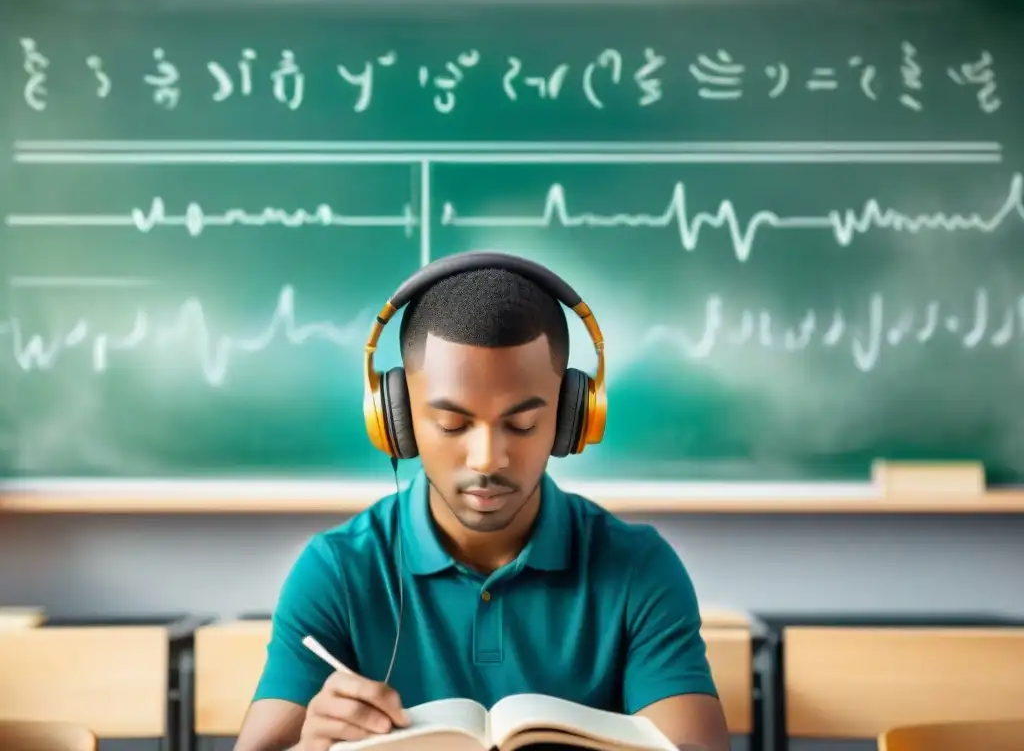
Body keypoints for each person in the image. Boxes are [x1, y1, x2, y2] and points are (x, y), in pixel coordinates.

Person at [234, 253, 730, 751]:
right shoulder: (337, 570)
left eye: (522, 424)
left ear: (572, 417)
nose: (487, 460)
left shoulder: (638, 568)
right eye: (452, 425)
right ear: (396, 417)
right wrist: (311, 747)